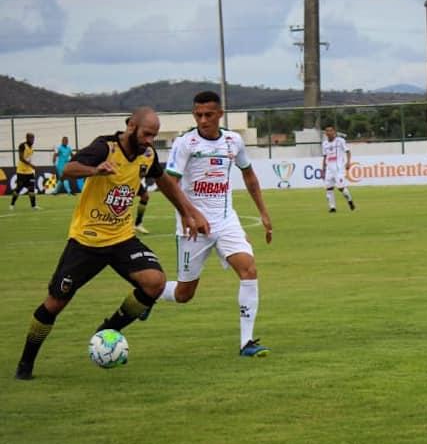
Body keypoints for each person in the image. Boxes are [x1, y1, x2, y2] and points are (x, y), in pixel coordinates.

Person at [14, 107, 209, 380]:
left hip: (121, 239)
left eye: (154, 135)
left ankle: (109, 329)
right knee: (55, 303)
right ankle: (25, 364)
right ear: (131, 126)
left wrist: (188, 213)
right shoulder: (104, 147)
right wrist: (95, 170)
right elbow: (69, 169)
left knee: (154, 282)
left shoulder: (147, 154)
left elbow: (164, 182)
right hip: (87, 241)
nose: (150, 140)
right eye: (147, 134)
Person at [159, 91, 273, 358]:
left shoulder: (234, 141)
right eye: (198, 115)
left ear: (220, 114)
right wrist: (188, 215)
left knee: (249, 269)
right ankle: (150, 292)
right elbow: (169, 184)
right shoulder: (185, 143)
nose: (203, 120)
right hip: (193, 226)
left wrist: (264, 214)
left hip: (226, 221)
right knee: (184, 293)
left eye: (208, 115)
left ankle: (247, 343)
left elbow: (250, 177)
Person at [321, 125, 355, 213]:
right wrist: (323, 169)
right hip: (329, 169)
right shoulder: (324, 143)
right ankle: (332, 208)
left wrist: (348, 162)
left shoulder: (340, 141)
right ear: (325, 133)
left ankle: (350, 200)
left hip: (339, 169)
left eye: (330, 131)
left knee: (341, 188)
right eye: (327, 131)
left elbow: (348, 151)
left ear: (334, 132)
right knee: (329, 188)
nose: (329, 132)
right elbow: (325, 157)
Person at [10, 132, 39, 210]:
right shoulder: (22, 146)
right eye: (31, 138)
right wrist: (31, 165)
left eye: (33, 138)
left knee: (31, 189)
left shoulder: (32, 148)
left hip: (30, 172)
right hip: (21, 171)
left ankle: (33, 206)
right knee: (18, 189)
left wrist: (32, 167)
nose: (33, 140)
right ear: (27, 138)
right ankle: (12, 204)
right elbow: (21, 158)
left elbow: (29, 158)